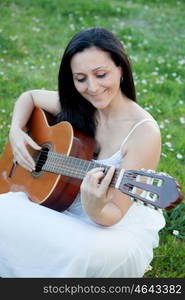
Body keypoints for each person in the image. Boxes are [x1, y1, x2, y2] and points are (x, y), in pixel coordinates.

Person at [0, 27, 165, 278]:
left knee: (80, 253)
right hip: (57, 202)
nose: (92, 88)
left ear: (121, 68)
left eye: (101, 74)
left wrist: (95, 205)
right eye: (80, 78)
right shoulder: (80, 106)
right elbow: (30, 97)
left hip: (105, 227)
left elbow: (113, 214)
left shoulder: (143, 133)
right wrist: (15, 130)